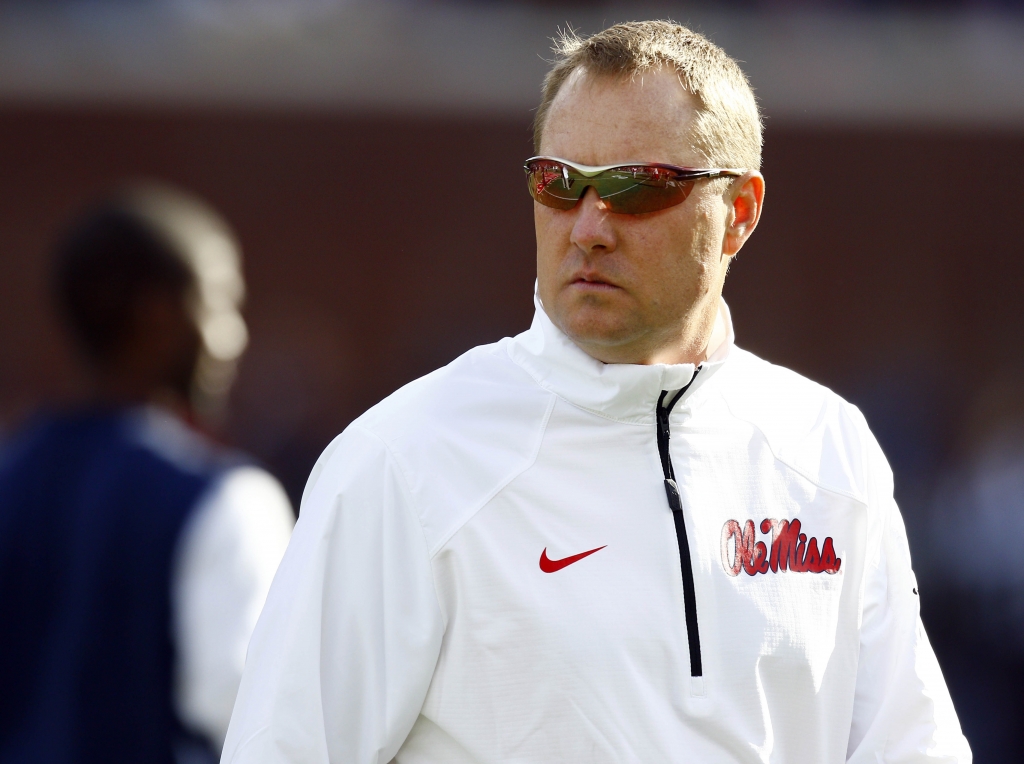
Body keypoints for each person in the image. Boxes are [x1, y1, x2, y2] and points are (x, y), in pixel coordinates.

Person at [222, 21, 970, 763]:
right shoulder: (401, 460)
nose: (587, 228)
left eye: (636, 188)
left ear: (739, 212)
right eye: (559, 183)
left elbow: (911, 746)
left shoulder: (827, 446)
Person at [0, 184, 294, 763]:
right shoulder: (224, 499)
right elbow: (264, 721)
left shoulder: (11, 473)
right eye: (218, 304)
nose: (234, 335)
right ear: (156, 314)